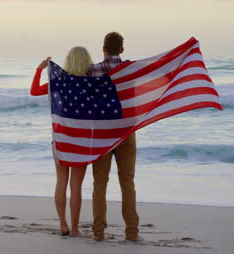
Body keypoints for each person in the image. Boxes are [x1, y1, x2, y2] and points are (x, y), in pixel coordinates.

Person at [30, 47, 93, 237]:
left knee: (61, 182)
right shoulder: (91, 85)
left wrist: (39, 69)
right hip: (81, 141)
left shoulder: (58, 83)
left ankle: (63, 225)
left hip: (60, 140)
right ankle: (74, 229)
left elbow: (34, 91)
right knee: (76, 186)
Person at [88, 32, 140, 241]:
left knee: (100, 183)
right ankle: (132, 233)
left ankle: (98, 232)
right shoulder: (131, 69)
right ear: (122, 50)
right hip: (126, 130)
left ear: (103, 49)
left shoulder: (92, 71)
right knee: (127, 181)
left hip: (102, 132)